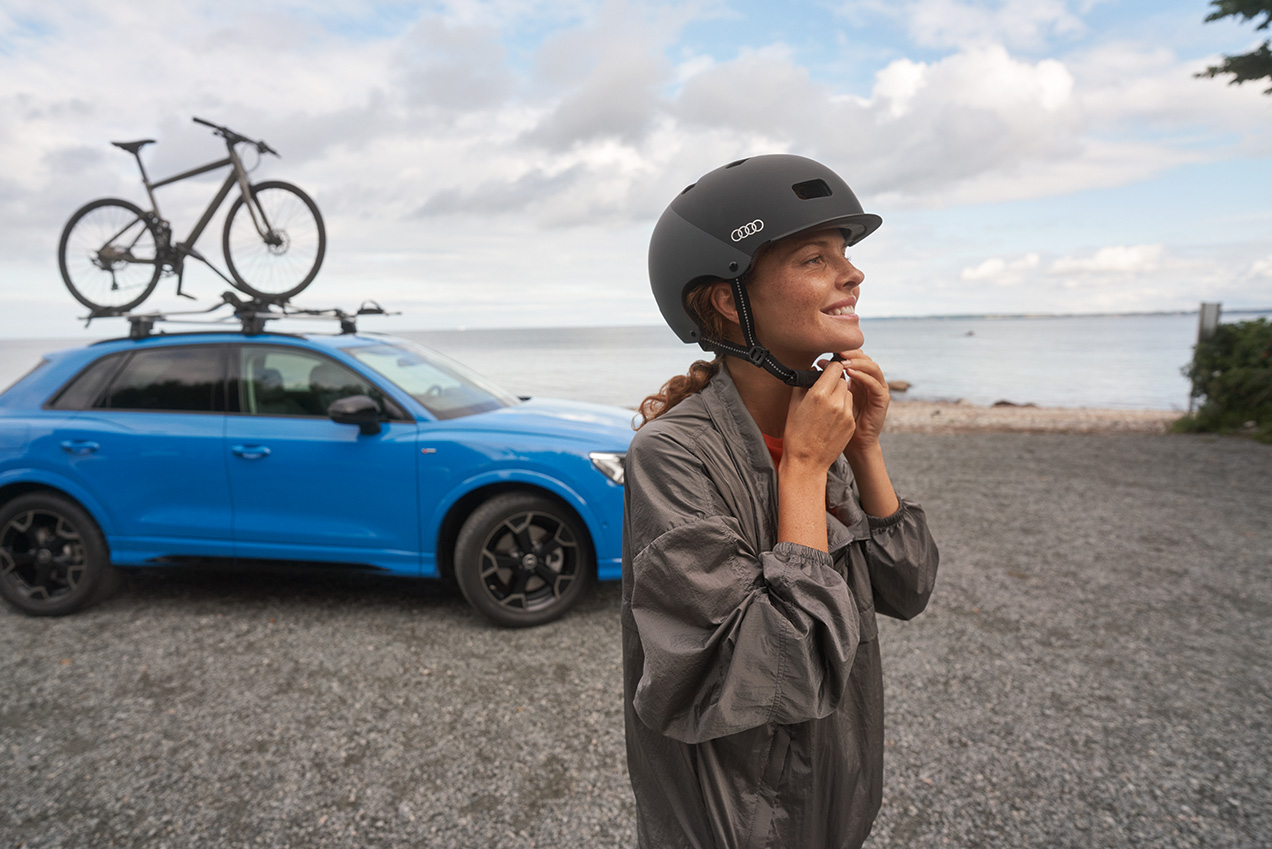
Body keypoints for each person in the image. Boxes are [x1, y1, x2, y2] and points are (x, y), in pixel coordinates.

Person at [621, 154, 940, 849]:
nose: (852, 275)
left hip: (831, 801)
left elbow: (908, 585)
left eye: (846, 256)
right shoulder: (675, 454)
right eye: (814, 258)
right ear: (731, 299)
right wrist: (801, 469)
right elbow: (776, 671)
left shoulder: (821, 426)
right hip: (730, 821)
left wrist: (864, 448)